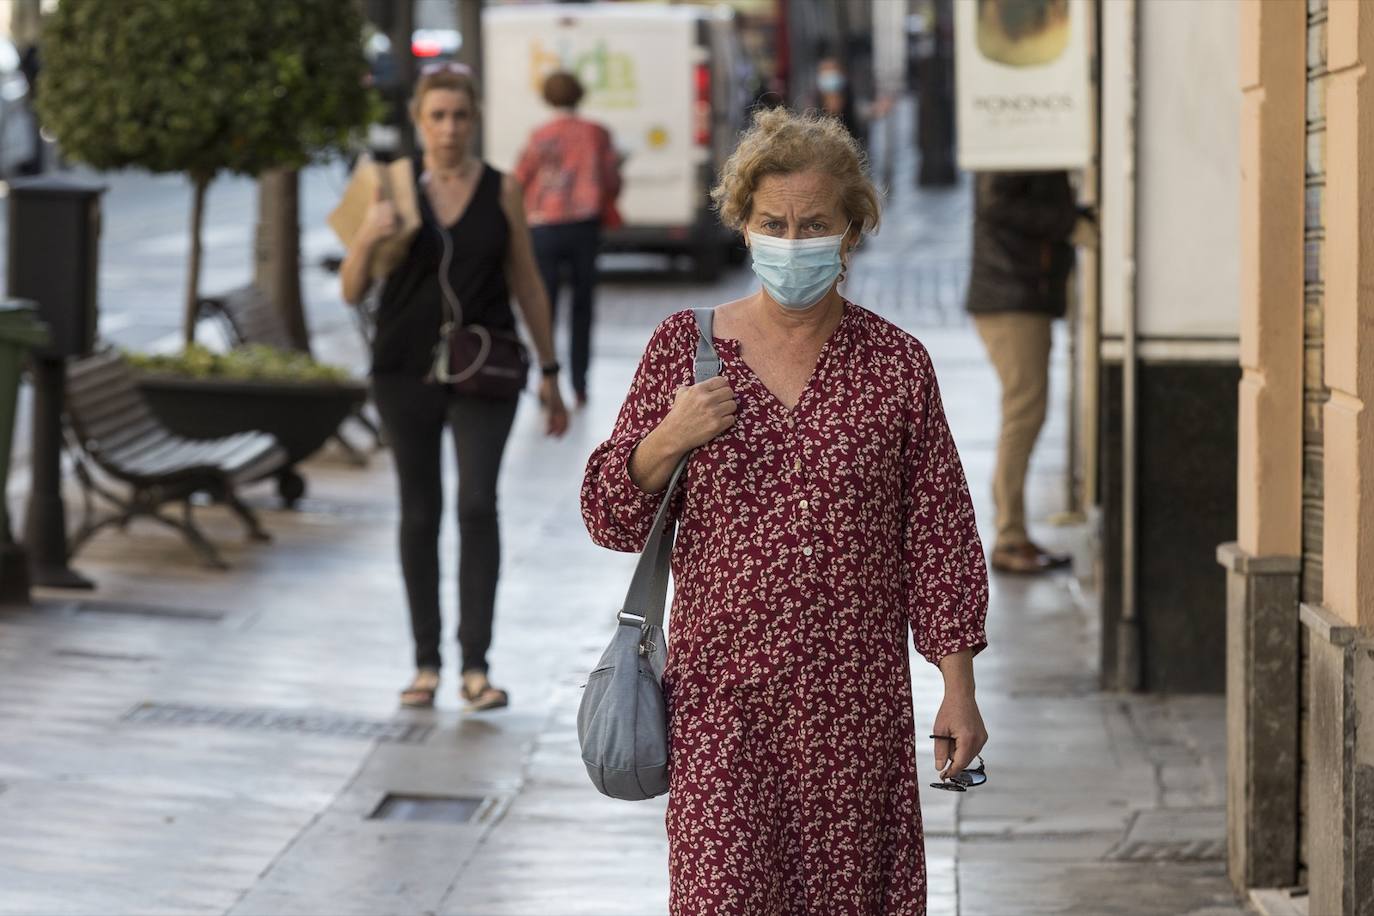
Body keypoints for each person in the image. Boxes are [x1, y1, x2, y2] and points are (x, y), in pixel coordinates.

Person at [581, 108, 988, 914]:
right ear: (742, 225)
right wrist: (669, 437)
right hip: (722, 710)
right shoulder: (683, 348)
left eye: (815, 224)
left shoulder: (897, 365)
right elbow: (608, 516)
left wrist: (958, 687)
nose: (793, 240)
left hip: (855, 715)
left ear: (851, 232)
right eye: (773, 222)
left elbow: (939, 538)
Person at [339, 63, 569, 712]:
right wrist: (368, 235)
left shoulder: (502, 190)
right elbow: (352, 289)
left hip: (484, 368)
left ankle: (475, 667)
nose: (449, 128)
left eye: (460, 116)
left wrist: (551, 373)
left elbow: (526, 282)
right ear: (419, 121)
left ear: (476, 120)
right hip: (403, 370)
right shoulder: (389, 190)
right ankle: (424, 664)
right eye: (437, 116)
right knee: (420, 512)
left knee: (475, 506)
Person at [965, 170, 1078, 574]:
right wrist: (1068, 221)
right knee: (1024, 412)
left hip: (1019, 291)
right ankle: (1010, 536)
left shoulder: (1028, 141)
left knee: (1026, 411)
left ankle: (1014, 532)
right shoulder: (1014, 142)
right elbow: (997, 203)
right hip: (1011, 294)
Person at [513, 71, 622, 408]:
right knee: (582, 306)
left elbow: (520, 178)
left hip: (543, 226)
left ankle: (547, 377)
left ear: (548, 97)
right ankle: (579, 384)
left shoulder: (539, 135)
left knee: (543, 304)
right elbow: (611, 179)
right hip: (583, 226)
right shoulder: (596, 133)